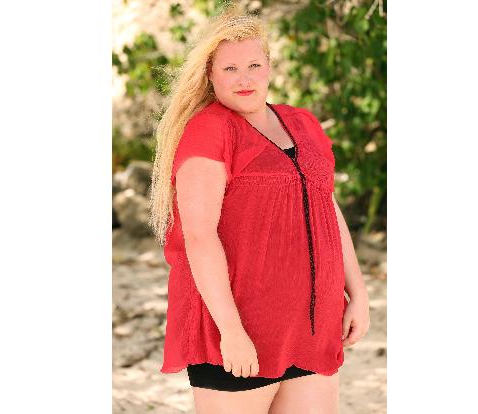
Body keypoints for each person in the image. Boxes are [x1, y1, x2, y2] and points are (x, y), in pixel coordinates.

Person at [147, 4, 370, 413]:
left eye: (253, 65)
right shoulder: (209, 130)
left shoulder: (303, 123)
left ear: (269, 66)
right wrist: (231, 332)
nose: (244, 78)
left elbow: (326, 207)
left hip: (312, 329)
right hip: (240, 331)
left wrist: (357, 292)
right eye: (230, 69)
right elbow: (199, 236)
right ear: (210, 75)